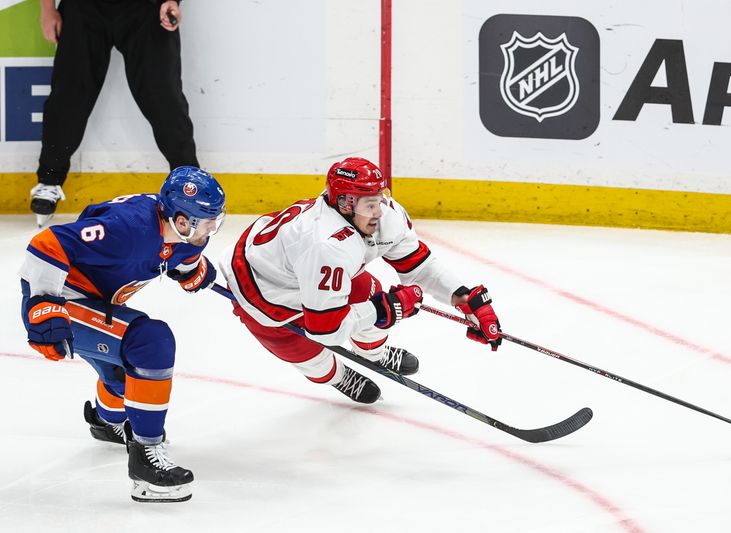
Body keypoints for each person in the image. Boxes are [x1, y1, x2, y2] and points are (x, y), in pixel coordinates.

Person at [218, 157, 502, 404]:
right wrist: (383, 311)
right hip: (264, 296)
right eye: (370, 204)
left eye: (379, 199)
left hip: (307, 268)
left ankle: (374, 353)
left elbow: (418, 265)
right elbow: (325, 330)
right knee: (313, 360)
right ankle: (339, 376)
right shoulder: (326, 245)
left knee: (372, 295)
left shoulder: (379, 216)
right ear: (344, 203)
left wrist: (461, 297)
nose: (379, 211)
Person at [19, 166, 225, 503]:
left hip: (98, 301)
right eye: (206, 220)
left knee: (125, 378)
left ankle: (105, 421)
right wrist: (43, 303)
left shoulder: (181, 234)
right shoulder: (128, 228)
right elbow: (47, 243)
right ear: (182, 221)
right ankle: (146, 460)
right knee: (150, 342)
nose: (213, 228)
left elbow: (175, 257)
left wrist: (190, 271)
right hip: (62, 297)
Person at [32, 0, 198, 227]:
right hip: (83, 10)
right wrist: (47, 9)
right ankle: (49, 180)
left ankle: (189, 183)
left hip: (147, 9)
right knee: (69, 96)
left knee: (163, 96)